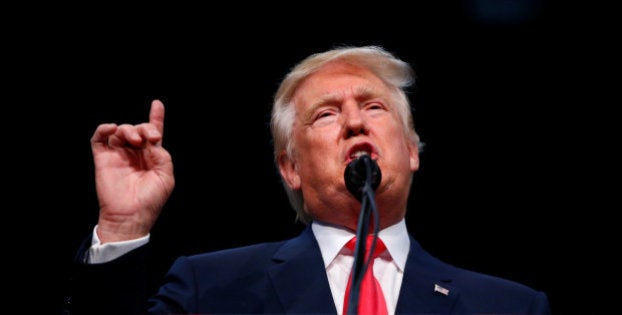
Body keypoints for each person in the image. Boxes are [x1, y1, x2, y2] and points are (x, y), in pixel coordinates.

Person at [66, 45, 551, 315]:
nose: (355, 123)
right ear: (290, 168)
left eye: (374, 107)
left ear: (409, 150)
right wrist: (123, 227)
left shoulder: (510, 307)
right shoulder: (211, 288)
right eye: (326, 114)